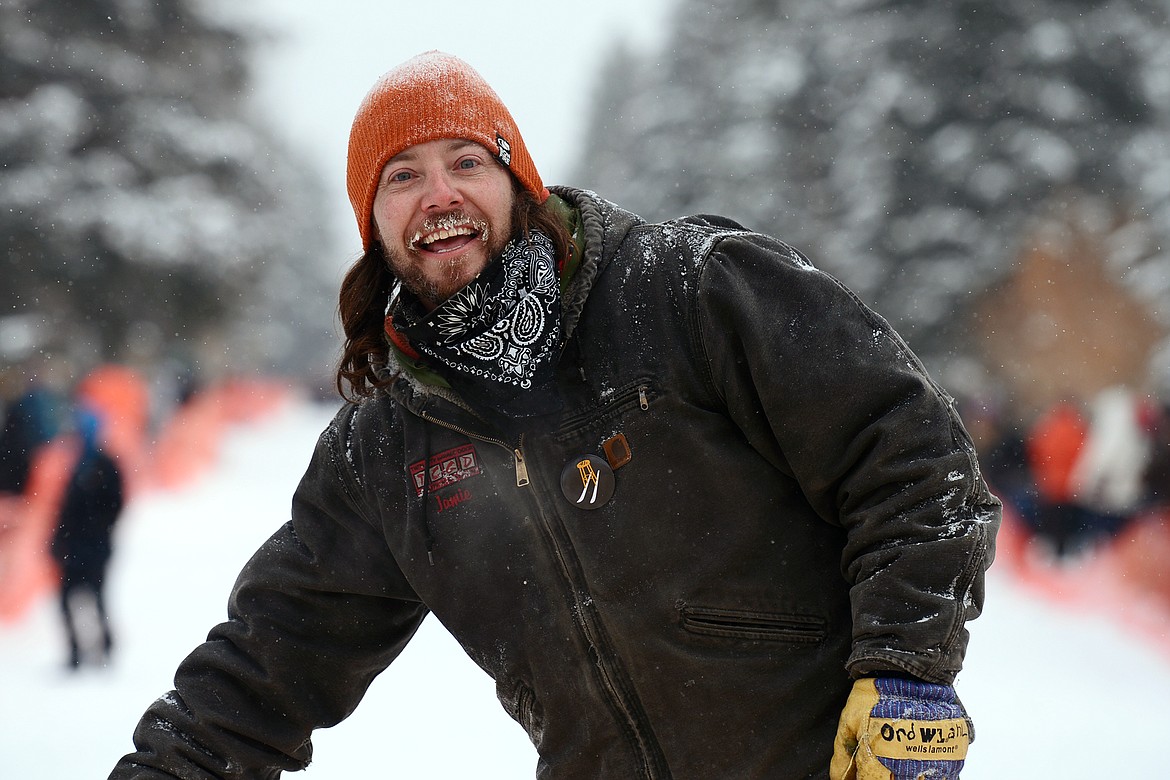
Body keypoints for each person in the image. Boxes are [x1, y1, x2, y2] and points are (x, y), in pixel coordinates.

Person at [109, 51, 1000, 779]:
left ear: (518, 183)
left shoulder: (687, 289)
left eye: (467, 162)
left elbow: (911, 454)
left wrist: (906, 669)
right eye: (403, 177)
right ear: (374, 226)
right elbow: (267, 664)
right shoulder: (386, 452)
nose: (440, 195)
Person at [51, 406, 124, 669]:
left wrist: (97, 533)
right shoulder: (70, 462)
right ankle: (75, 651)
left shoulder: (105, 464)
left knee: (96, 598)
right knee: (66, 600)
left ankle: (105, 645)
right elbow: (60, 508)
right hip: (72, 546)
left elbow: (115, 505)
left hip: (95, 546)